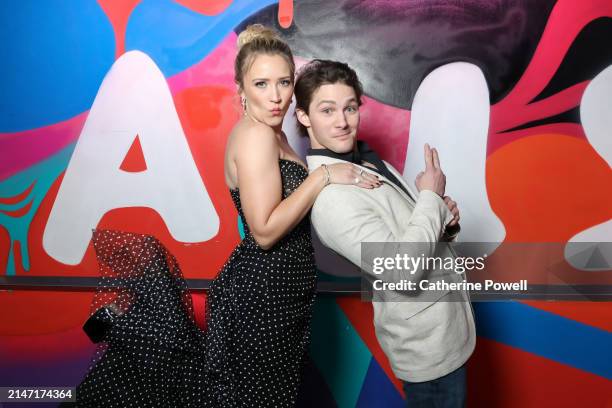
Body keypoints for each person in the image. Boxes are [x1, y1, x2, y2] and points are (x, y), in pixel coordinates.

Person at [201, 26, 380, 407]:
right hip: (263, 296)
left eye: (284, 82)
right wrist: (324, 176)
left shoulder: (274, 134)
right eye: (261, 84)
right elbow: (264, 231)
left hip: (284, 294)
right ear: (241, 90)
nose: (277, 96)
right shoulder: (256, 136)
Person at [295, 59, 476, 408]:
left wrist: (443, 219)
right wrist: (429, 196)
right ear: (304, 117)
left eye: (349, 107)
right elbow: (403, 270)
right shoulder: (332, 198)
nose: (342, 121)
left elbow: (409, 232)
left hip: (446, 332)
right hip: (426, 348)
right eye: (327, 110)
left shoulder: (364, 162)